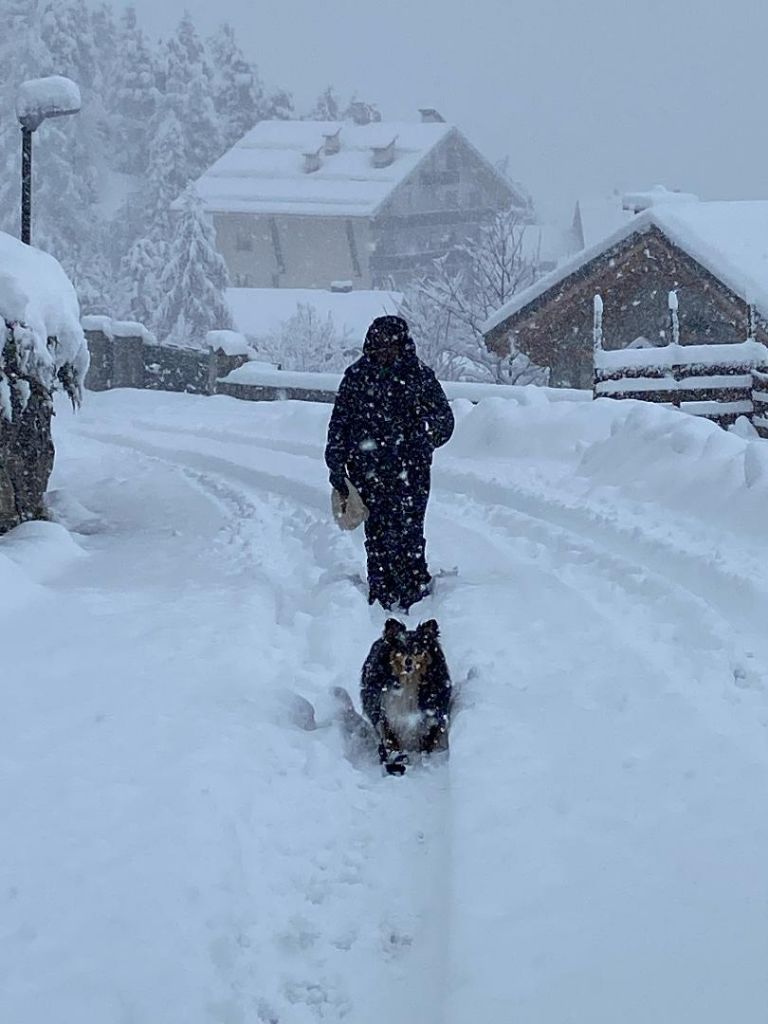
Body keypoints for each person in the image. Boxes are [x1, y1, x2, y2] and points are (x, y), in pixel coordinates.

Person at [325, 315, 454, 610]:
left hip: (411, 469)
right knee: (378, 530)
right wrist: (336, 465)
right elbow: (339, 425)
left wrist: (424, 436)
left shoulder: (419, 376)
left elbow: (444, 420)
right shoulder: (357, 377)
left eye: (391, 347)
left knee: (409, 529)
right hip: (368, 469)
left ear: (403, 346)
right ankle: (381, 587)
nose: (385, 353)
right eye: (380, 347)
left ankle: (413, 585)